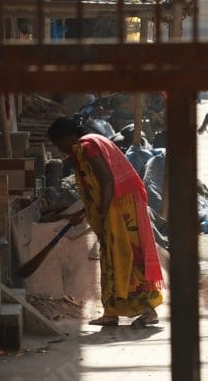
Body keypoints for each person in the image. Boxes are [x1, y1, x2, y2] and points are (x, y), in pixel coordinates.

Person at [47, 116, 164, 327]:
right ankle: (111, 312)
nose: (60, 149)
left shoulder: (87, 146)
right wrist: (84, 212)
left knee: (125, 256)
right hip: (118, 204)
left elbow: (107, 180)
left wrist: (101, 212)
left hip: (120, 207)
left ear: (67, 137)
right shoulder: (92, 141)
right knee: (112, 257)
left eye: (58, 144)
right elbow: (99, 187)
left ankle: (148, 311)